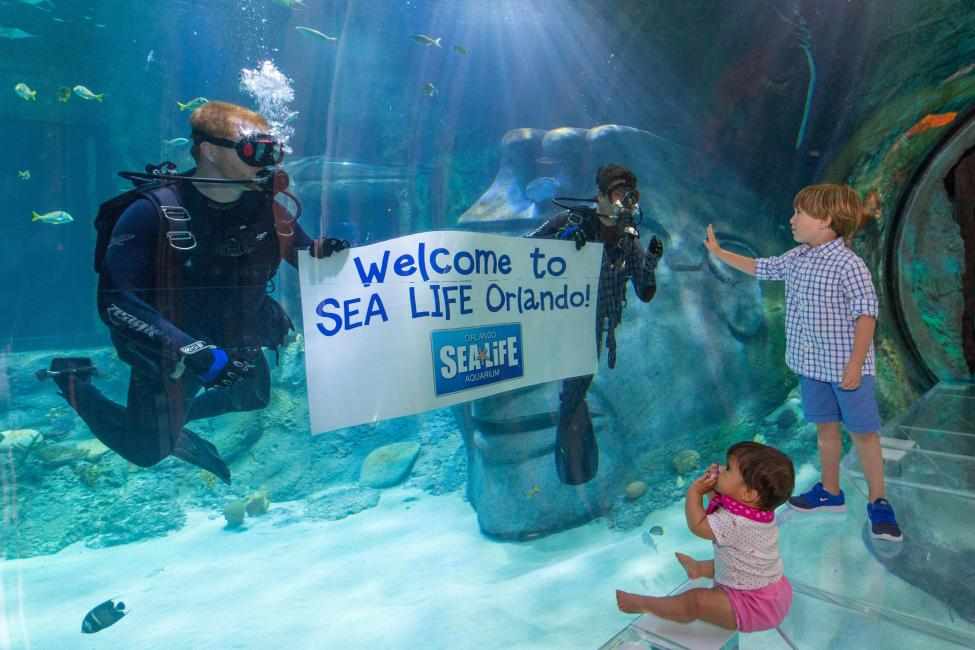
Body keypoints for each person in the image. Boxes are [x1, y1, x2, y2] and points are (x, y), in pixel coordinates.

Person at [37, 101, 348, 484]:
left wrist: (323, 253)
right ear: (210, 152)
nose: (268, 163)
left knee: (253, 396)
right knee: (145, 450)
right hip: (173, 346)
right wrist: (191, 351)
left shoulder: (267, 211)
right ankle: (70, 379)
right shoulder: (152, 211)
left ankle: (169, 423)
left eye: (274, 151)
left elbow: (305, 259)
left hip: (235, 334)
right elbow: (116, 301)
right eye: (255, 151)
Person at [704, 183, 902, 542]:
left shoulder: (849, 264)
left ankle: (879, 501)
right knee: (825, 430)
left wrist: (856, 364)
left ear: (826, 220)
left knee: (864, 434)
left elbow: (866, 315)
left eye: (800, 213)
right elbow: (760, 267)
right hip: (811, 367)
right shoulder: (796, 258)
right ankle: (830, 491)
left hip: (845, 367)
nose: (792, 219)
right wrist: (719, 252)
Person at [529, 164, 663, 485]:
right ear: (600, 196)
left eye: (629, 195)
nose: (624, 202)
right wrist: (562, 242)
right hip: (565, 322)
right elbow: (520, 252)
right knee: (574, 391)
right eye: (617, 193)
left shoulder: (627, 239)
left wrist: (652, 261)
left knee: (576, 389)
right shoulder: (573, 221)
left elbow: (645, 291)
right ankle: (574, 466)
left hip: (598, 323)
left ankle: (576, 463)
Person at [616, 441, 795, 634]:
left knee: (696, 602)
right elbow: (722, 512)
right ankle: (699, 569)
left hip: (752, 606)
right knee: (732, 559)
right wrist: (713, 489)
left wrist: (694, 492)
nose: (720, 468)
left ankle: (644, 604)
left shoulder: (736, 523)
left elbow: (698, 526)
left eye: (727, 469)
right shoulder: (757, 513)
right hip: (769, 591)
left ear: (748, 493)